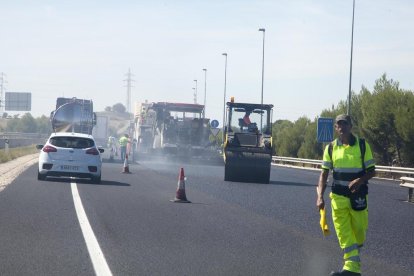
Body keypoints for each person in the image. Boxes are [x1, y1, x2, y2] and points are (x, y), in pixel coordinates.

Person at [316, 114, 376, 276]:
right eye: (338, 125)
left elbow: (372, 171)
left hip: (358, 198)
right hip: (338, 199)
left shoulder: (362, 146)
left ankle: (353, 267)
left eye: (345, 124)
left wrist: (360, 180)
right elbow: (324, 174)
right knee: (343, 232)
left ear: (351, 126)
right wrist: (320, 196)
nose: (341, 127)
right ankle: (351, 268)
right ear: (335, 128)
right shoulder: (331, 148)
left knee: (359, 232)